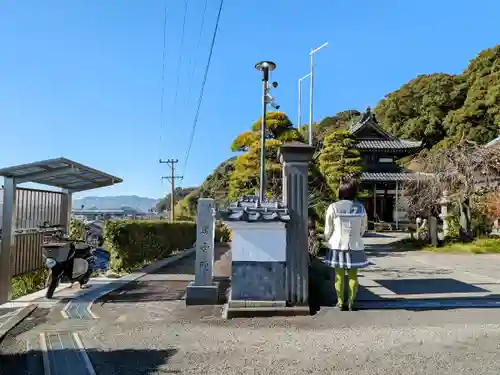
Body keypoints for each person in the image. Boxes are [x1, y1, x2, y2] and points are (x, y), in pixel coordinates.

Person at [323, 179, 369, 311]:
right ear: (354, 191)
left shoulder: (333, 207)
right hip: (355, 245)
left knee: (339, 275)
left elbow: (328, 229)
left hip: (337, 245)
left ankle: (340, 301)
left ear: (341, 190)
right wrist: (357, 236)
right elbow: (363, 228)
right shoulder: (360, 208)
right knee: (353, 276)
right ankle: (351, 302)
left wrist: (328, 239)